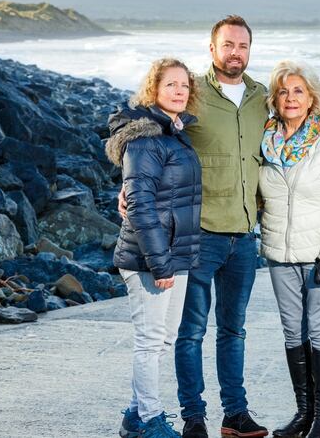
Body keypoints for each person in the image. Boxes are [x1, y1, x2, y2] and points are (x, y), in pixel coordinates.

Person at [116, 15, 269, 438]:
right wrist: (126, 190)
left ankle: (235, 414)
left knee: (234, 330)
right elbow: (143, 138)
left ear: (249, 50)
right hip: (197, 235)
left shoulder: (262, 97)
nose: (235, 52)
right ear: (212, 48)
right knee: (189, 333)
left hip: (244, 233)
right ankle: (192, 417)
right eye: (227, 45)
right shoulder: (194, 93)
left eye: (242, 45)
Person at [258, 60, 320, 438]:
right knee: (291, 332)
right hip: (278, 254)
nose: (290, 98)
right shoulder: (266, 138)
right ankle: (303, 413)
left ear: (312, 97)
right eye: (283, 91)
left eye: (298, 90)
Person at [107, 58, 202, 438]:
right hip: (149, 258)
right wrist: (160, 265)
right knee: (149, 341)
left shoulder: (173, 133)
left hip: (173, 255)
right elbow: (141, 206)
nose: (179, 91)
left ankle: (135, 414)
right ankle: (149, 420)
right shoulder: (146, 139)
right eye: (171, 85)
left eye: (184, 86)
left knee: (164, 338)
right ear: (154, 90)